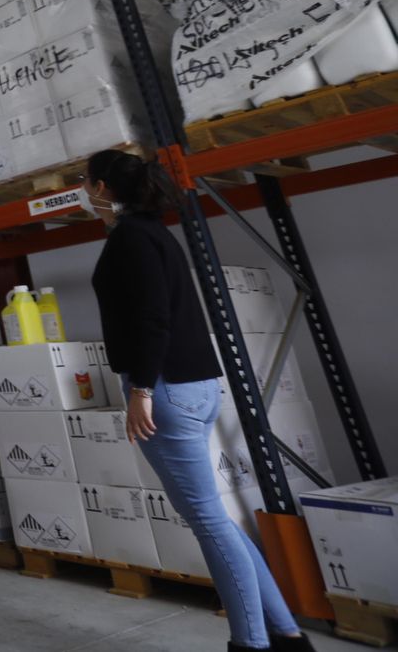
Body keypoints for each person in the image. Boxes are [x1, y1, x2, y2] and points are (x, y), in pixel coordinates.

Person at [85, 149, 313, 652]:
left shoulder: (131, 238)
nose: (85, 191)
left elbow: (152, 319)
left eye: (87, 183)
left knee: (210, 523)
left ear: (101, 187)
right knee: (217, 520)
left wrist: (140, 390)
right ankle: (288, 636)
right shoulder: (154, 233)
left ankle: (250, 644)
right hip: (195, 387)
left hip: (165, 389)